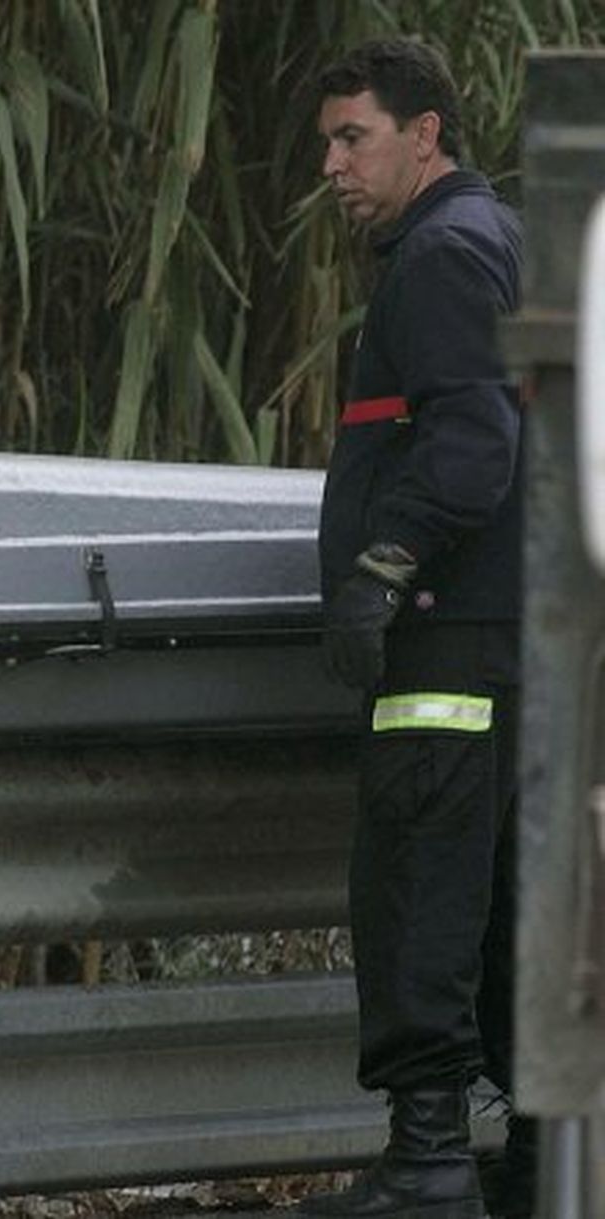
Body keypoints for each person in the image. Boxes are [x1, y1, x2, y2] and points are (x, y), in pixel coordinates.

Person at [299, 39, 530, 1219]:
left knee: (418, 889)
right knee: (505, 905)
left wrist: (380, 571)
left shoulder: (439, 254)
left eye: (354, 138)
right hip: (512, 637)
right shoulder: (499, 239)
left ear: (424, 134)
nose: (332, 166)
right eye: (328, 143)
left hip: (447, 640)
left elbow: (473, 443)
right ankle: (542, 1160)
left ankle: (430, 1160)